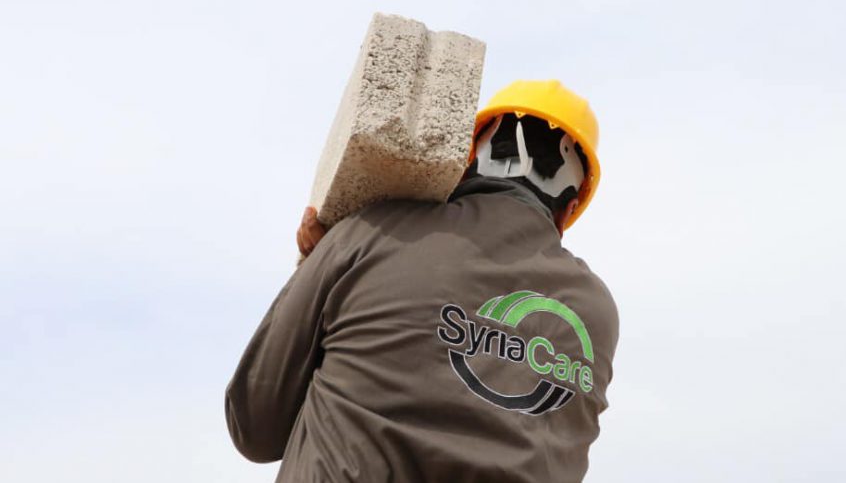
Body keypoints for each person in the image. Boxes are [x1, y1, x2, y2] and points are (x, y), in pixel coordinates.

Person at [225, 80, 619, 483]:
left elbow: (254, 428)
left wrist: (318, 267)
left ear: (467, 163)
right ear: (569, 209)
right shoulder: (595, 311)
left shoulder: (370, 234)